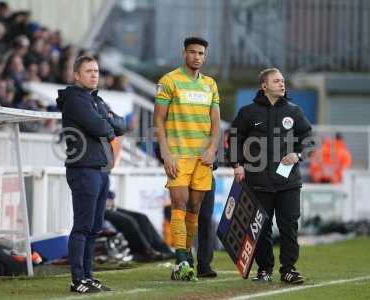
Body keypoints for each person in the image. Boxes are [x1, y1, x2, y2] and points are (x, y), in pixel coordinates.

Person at [229, 67, 312, 285]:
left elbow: (309, 138)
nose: (282, 84)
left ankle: (288, 269)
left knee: (289, 227)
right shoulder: (248, 112)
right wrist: (237, 164)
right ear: (264, 86)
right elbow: (235, 139)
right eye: (276, 81)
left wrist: (298, 154)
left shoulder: (294, 111)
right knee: (261, 229)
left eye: (283, 80)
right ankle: (264, 269)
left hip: (288, 183)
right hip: (258, 182)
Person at [56, 55, 128, 294]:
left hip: (99, 169)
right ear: (76, 75)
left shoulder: (95, 100)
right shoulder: (75, 100)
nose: (94, 74)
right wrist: (106, 124)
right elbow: (100, 127)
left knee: (95, 227)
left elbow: (121, 125)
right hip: (83, 168)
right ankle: (77, 280)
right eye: (88, 71)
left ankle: (88, 276)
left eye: (96, 70)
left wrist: (106, 122)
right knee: (83, 226)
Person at [153, 37, 220, 281]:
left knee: (194, 209)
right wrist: (166, 152)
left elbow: (216, 122)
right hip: (178, 155)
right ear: (184, 54)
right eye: (192, 52)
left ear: (205, 56)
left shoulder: (210, 84)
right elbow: (158, 120)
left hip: (202, 158)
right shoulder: (169, 81)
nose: (197, 57)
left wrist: (212, 149)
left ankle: (186, 257)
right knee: (179, 205)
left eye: (201, 53)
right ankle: (181, 259)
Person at [104, 191, 174, 261]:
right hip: (96, 209)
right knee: (128, 221)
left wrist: (109, 197)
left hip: (104, 204)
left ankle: (164, 250)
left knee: (142, 217)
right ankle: (146, 252)